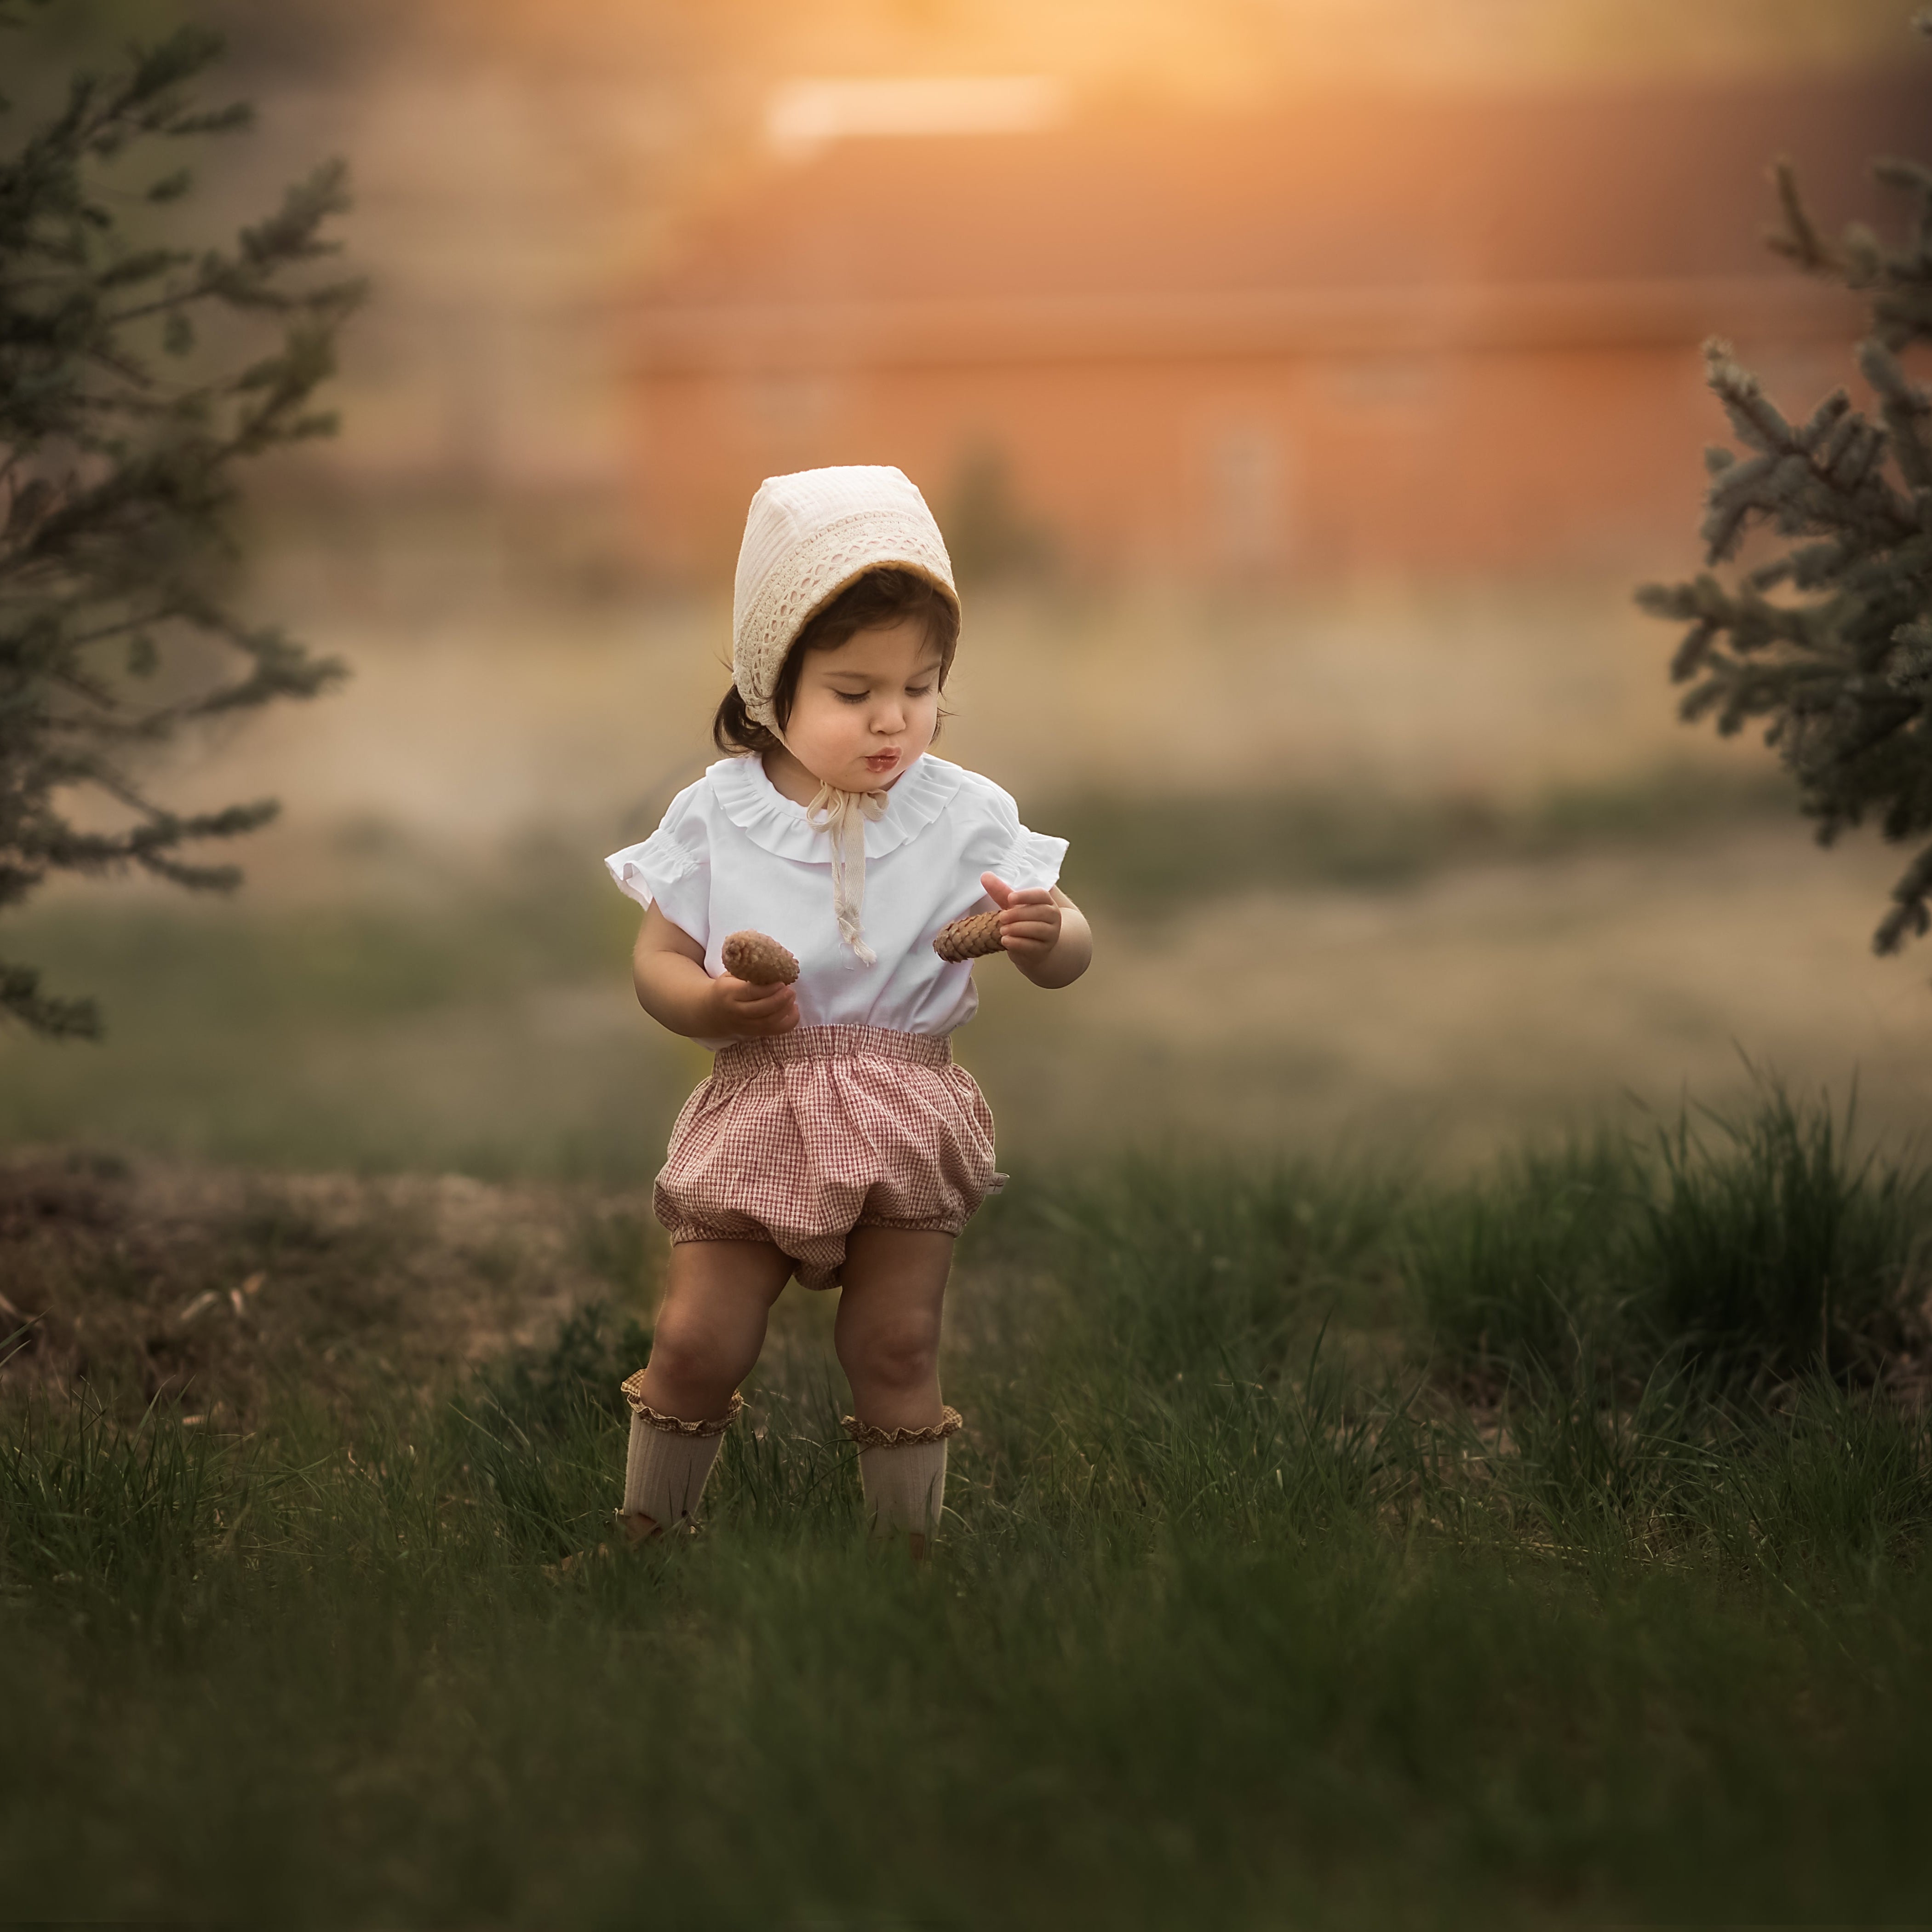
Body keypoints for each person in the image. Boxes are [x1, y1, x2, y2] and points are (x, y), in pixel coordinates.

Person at [604, 464, 1092, 1553]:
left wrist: (1052, 937)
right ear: (771, 684)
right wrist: (715, 1006)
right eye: (853, 692)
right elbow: (657, 960)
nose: (893, 720)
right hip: (762, 1106)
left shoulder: (966, 814)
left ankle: (906, 1555)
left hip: (906, 1109)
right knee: (696, 1337)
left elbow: (1067, 951)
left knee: (894, 1346)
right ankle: (645, 1534)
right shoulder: (720, 813)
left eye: (919, 688)